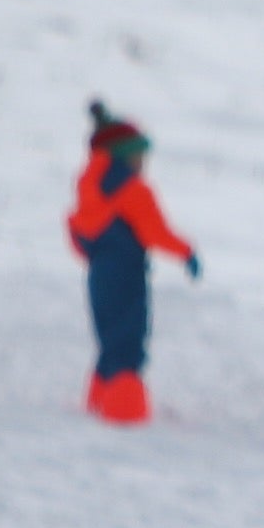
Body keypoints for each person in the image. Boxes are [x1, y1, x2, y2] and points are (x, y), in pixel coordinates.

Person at [65, 101, 198, 426]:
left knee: (109, 340)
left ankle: (99, 401)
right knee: (128, 343)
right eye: (140, 154)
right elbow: (155, 231)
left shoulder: (89, 188)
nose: (144, 162)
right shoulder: (133, 190)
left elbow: (76, 228)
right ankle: (126, 413)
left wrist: (96, 256)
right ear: (124, 155)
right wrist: (186, 252)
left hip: (98, 274)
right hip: (127, 274)